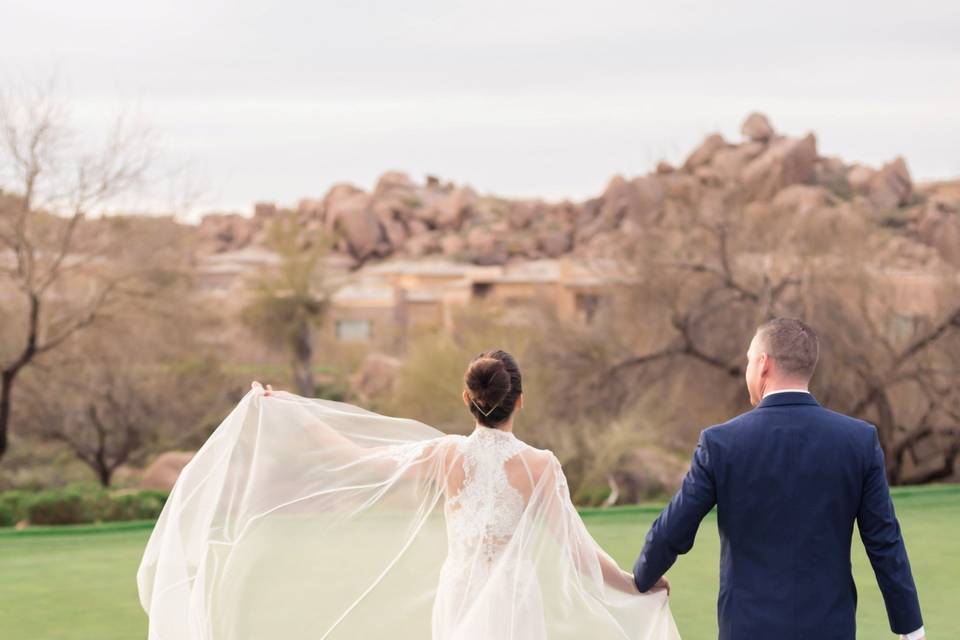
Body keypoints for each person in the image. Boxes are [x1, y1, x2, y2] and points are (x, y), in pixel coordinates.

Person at [137, 349, 678, 639]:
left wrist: (292, 410)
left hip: (461, 589)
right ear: (520, 400)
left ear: (469, 398)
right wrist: (635, 584)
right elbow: (579, 552)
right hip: (511, 598)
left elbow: (356, 459)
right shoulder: (538, 466)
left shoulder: (446, 455)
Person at [633, 318, 925, 639]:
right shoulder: (858, 440)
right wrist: (911, 629)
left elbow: (672, 530)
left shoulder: (721, 443)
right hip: (829, 628)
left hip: (747, 629)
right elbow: (884, 542)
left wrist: (642, 578)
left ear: (763, 365)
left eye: (748, 360)